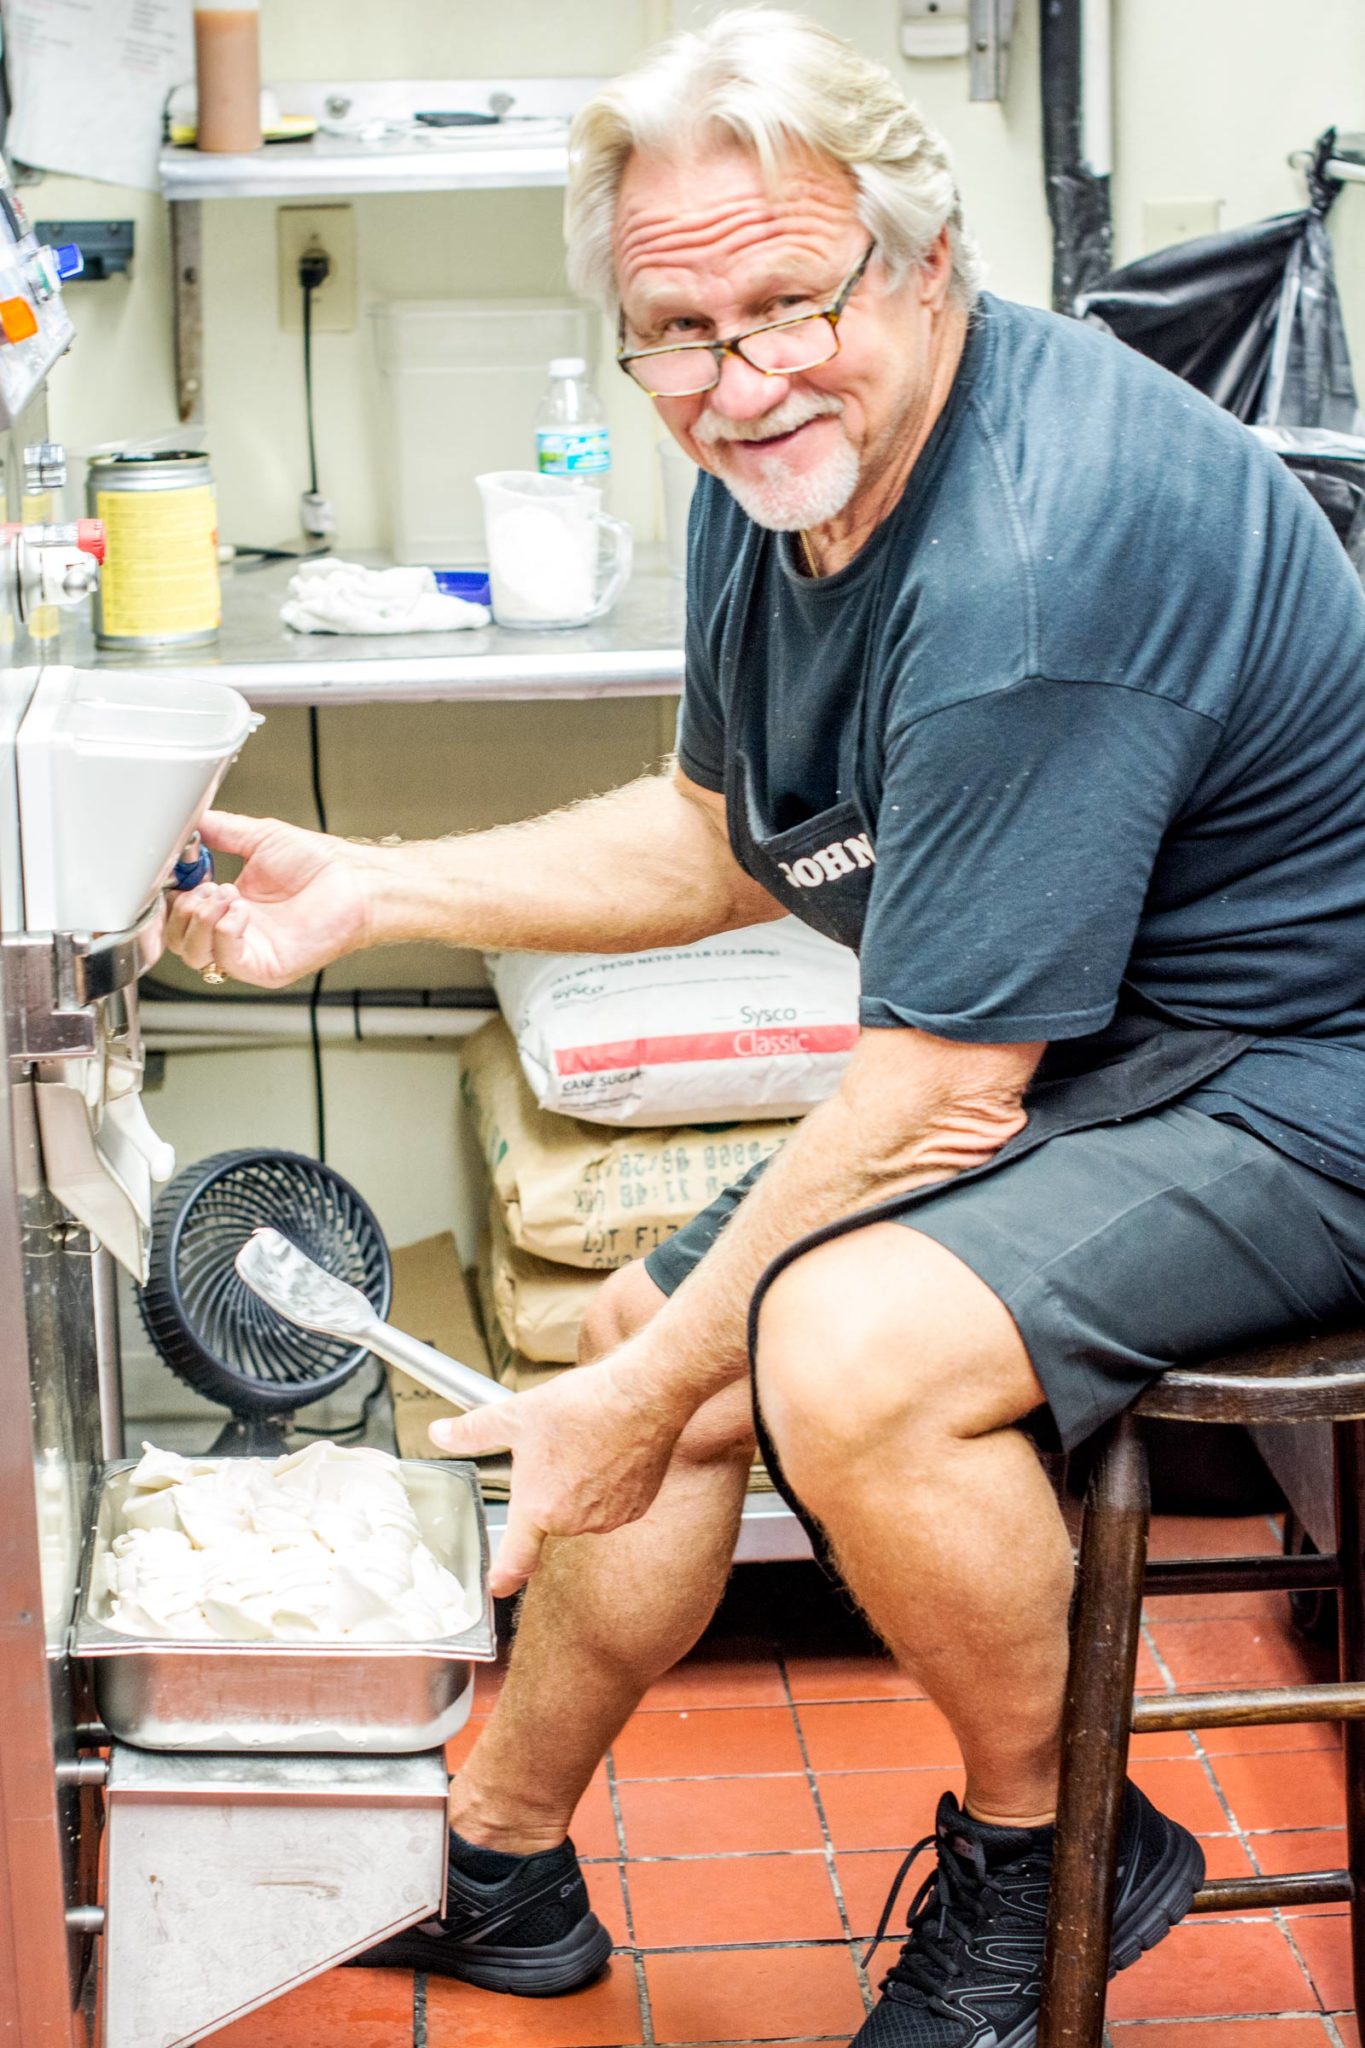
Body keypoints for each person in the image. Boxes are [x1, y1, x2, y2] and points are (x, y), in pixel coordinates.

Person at [168, 12, 1365, 2043]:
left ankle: (1050, 1839)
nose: (737, 374)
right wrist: (383, 883)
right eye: (678, 327)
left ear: (926, 263)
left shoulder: (1025, 562)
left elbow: (927, 1098)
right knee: (637, 1332)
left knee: (833, 1356)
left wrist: (628, 1420)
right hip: (1084, 1062)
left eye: (787, 302)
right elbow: (729, 838)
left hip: (1287, 1086)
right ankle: (502, 1848)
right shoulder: (769, 458)